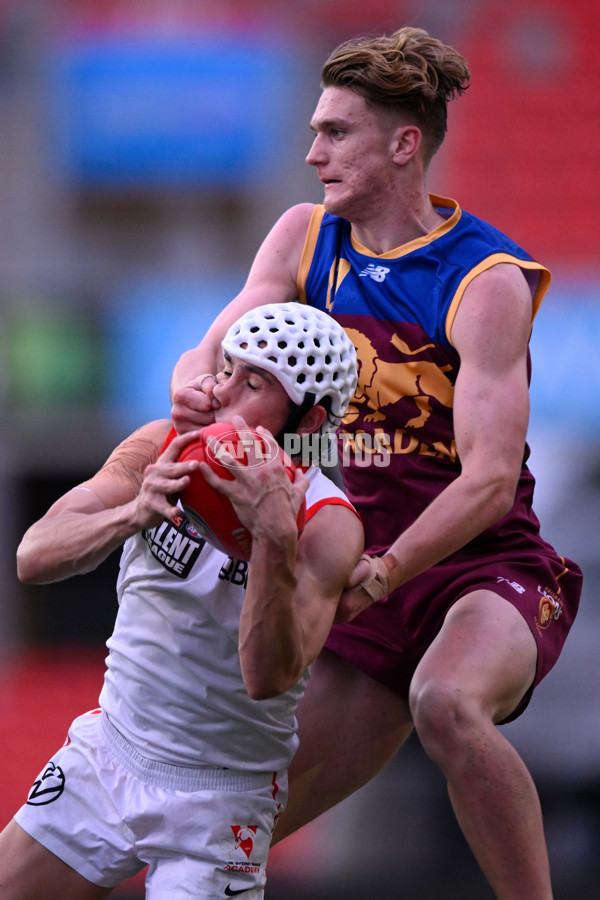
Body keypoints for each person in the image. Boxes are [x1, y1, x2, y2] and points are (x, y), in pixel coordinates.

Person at [169, 26, 583, 900]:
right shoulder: (303, 238)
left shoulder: (484, 281)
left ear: (404, 145)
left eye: (336, 132)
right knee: (224, 825)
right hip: (357, 571)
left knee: (446, 703)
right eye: (316, 130)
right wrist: (193, 389)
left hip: (479, 571)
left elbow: (489, 481)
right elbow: (214, 347)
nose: (313, 152)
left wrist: (388, 569)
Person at [0, 303, 363, 900]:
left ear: (308, 418)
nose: (220, 394)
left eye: (253, 384)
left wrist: (272, 538)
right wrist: (132, 512)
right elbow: (33, 555)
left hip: (221, 796)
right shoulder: (160, 445)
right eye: (226, 371)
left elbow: (269, 677)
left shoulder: (327, 525)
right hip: (109, 753)